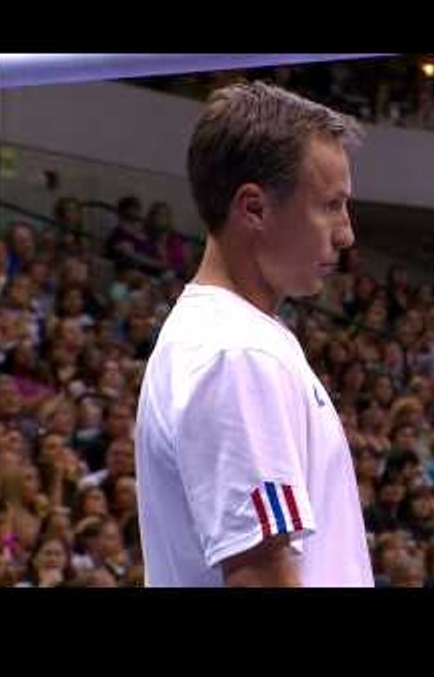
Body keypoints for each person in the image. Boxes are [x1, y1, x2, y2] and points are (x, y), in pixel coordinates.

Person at [135, 81, 373, 587]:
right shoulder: (235, 353)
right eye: (330, 205)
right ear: (254, 208)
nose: (346, 232)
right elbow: (259, 576)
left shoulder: (236, 338)